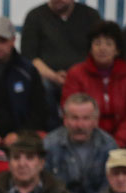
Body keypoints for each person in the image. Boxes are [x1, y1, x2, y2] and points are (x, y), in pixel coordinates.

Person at [21, 0, 101, 128]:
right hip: (48, 76)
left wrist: (75, 75)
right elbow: (30, 57)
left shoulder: (90, 16)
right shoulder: (35, 16)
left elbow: (98, 51)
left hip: (83, 75)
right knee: (42, 86)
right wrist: (54, 76)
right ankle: (51, 130)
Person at [62, 20, 126, 147]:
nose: (102, 48)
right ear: (90, 48)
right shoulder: (76, 73)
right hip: (86, 139)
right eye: (97, 43)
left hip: (124, 142)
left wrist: (117, 143)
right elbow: (71, 111)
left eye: (109, 44)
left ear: (117, 50)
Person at [43, 93, 116, 193]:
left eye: (86, 118)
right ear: (65, 120)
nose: (80, 125)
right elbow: (45, 184)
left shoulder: (109, 146)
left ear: (96, 121)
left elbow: (110, 186)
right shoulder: (49, 144)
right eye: (74, 118)